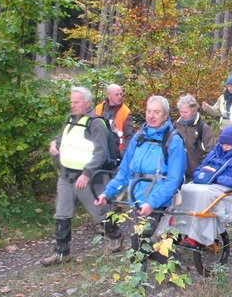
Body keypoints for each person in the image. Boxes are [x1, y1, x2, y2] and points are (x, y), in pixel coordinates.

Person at [94, 96, 186, 266]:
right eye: (148, 111)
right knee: (138, 242)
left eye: (156, 112)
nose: (151, 116)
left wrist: (152, 202)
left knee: (138, 242)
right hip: (135, 197)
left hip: (158, 198)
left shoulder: (173, 141)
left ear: (165, 115)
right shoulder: (138, 138)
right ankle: (169, 265)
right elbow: (124, 172)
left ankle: (139, 287)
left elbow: (173, 180)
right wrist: (108, 192)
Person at [39, 87, 123, 266]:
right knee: (61, 214)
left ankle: (116, 237)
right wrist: (54, 144)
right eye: (71, 102)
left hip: (88, 179)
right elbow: (61, 138)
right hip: (66, 175)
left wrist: (86, 174)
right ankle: (61, 253)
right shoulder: (70, 120)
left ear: (87, 103)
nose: (73, 105)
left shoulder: (95, 124)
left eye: (76, 102)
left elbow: (100, 152)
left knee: (100, 214)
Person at [175, 126, 232, 248]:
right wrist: (199, 176)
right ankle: (176, 230)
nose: (224, 146)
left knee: (203, 194)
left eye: (228, 144)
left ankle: (195, 236)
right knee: (183, 190)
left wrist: (216, 178)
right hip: (206, 183)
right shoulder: (213, 154)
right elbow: (199, 169)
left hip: (224, 188)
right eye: (223, 143)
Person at [174, 94, 215, 179]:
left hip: (197, 174)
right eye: (181, 112)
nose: (182, 115)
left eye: (186, 112)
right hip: (178, 175)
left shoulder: (204, 129)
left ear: (194, 111)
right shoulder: (175, 126)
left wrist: (202, 173)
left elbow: (211, 154)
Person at [95, 84, 134, 158]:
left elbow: (130, 137)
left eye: (121, 94)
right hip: (98, 153)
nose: (120, 97)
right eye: (117, 95)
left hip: (116, 155)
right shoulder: (98, 109)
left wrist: (121, 156)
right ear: (109, 96)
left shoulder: (125, 112)